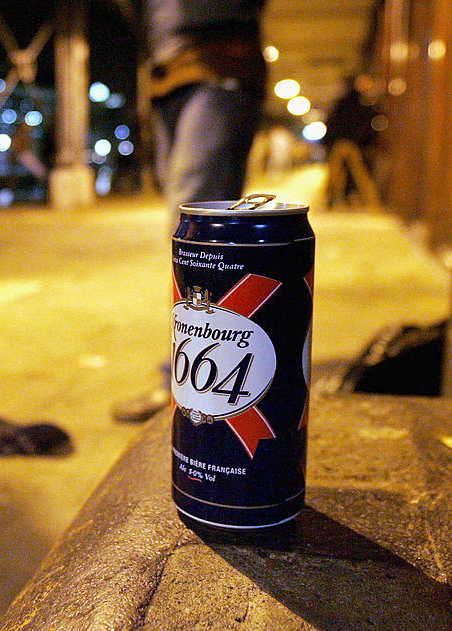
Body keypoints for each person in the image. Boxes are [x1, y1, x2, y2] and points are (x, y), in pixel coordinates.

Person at [112, 0, 269, 423]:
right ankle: (217, 370)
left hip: (219, 61)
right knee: (188, 223)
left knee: (198, 221)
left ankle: (195, 385)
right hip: (166, 75)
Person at [323, 74, 384, 209]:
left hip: (340, 142)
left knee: (336, 174)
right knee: (359, 174)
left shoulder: (340, 103)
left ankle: (329, 201)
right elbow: (367, 123)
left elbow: (332, 123)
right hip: (352, 143)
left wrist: (330, 141)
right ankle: (372, 203)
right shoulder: (362, 103)